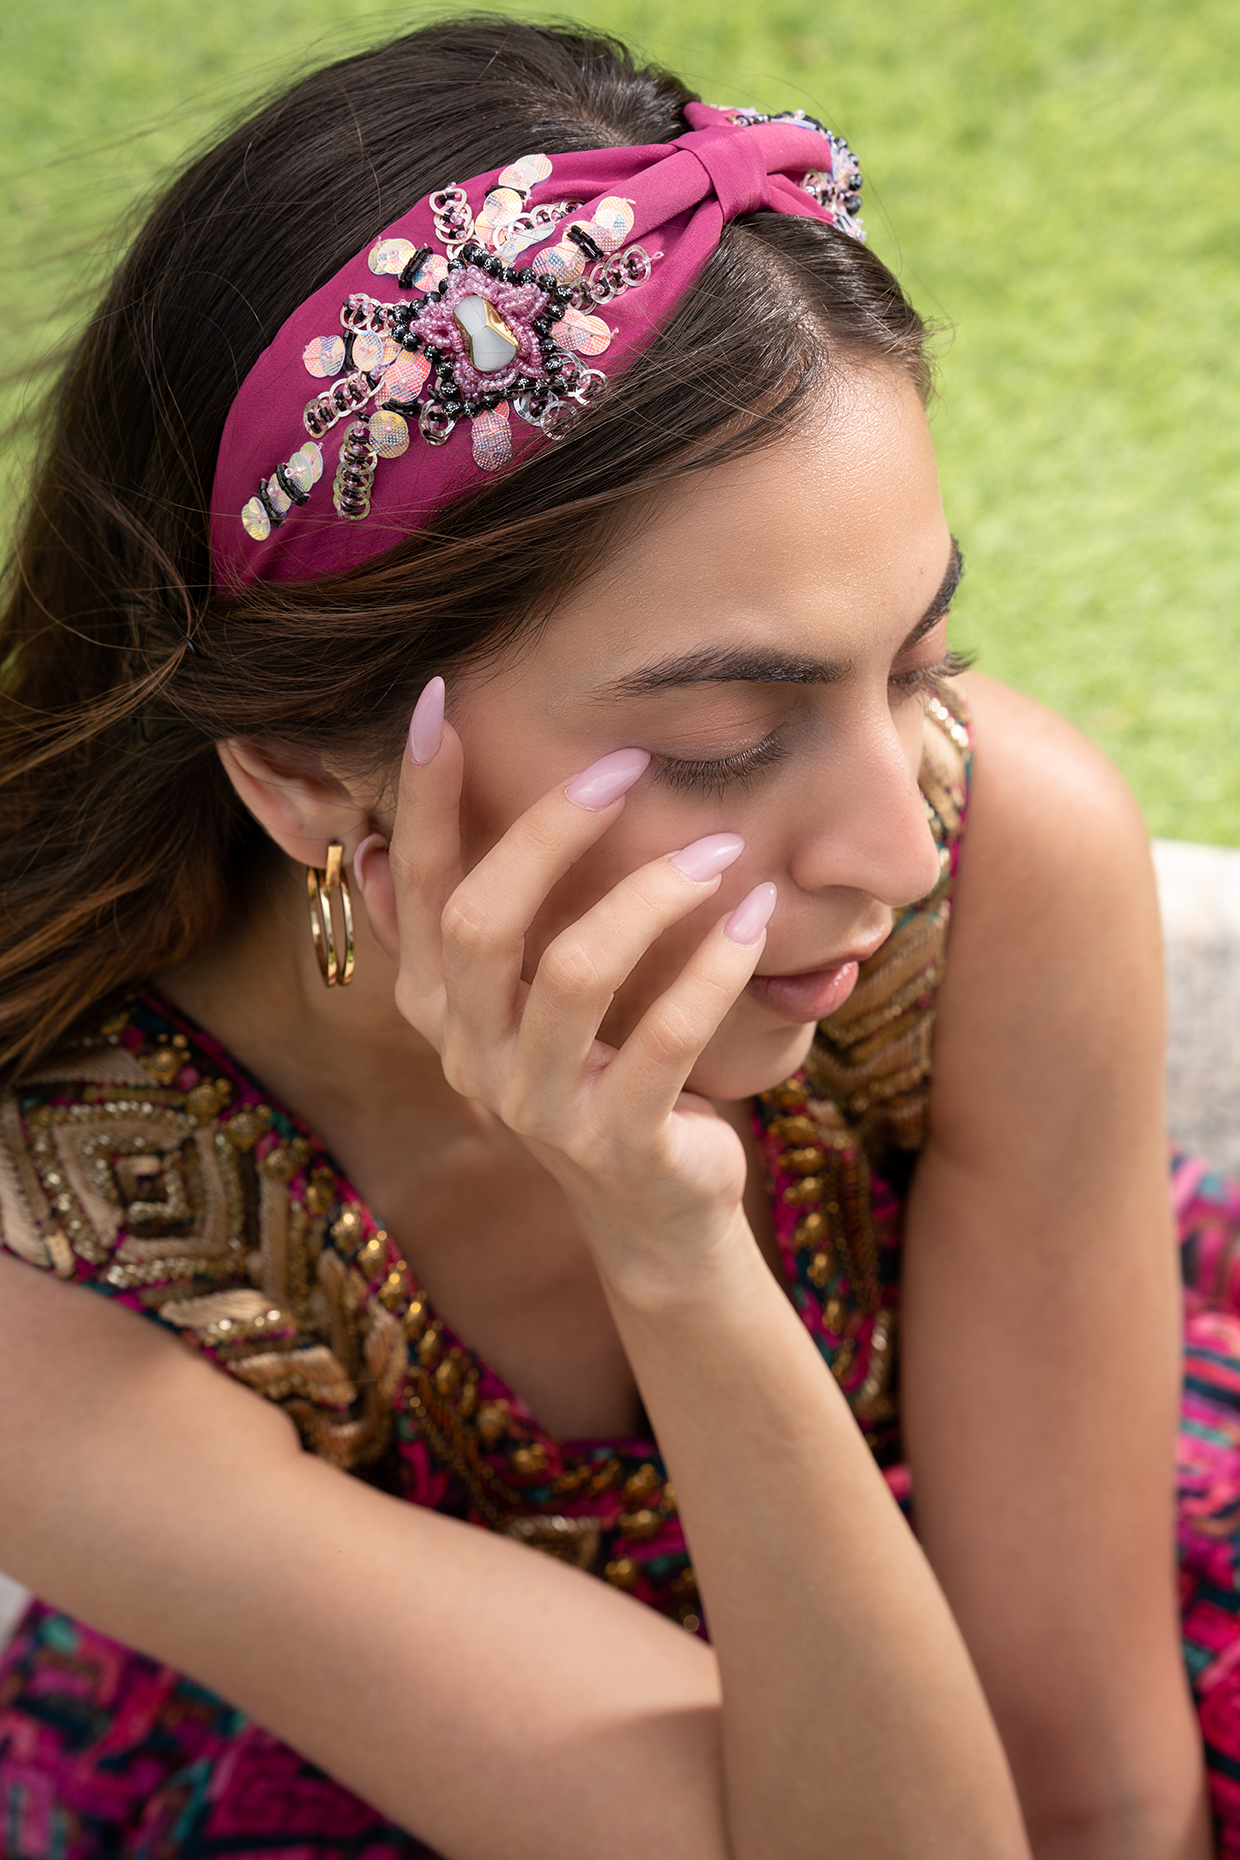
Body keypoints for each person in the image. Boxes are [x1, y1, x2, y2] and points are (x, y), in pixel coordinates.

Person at [0, 14, 1236, 1857]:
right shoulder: (61, 1279)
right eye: (726, 743)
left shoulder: (993, 866)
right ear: (309, 780)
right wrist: (673, 1253)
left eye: (916, 667)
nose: (899, 847)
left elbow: (1102, 1797)